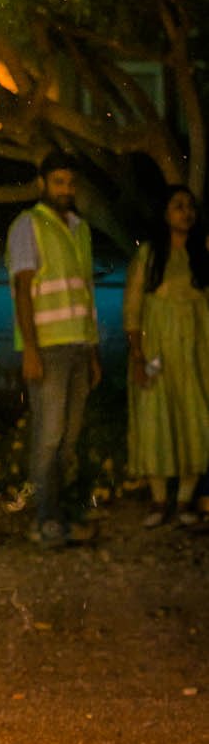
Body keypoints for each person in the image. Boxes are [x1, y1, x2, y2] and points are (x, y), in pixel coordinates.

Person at [6, 150, 101, 546]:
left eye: (70, 183)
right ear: (43, 183)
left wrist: (93, 351)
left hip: (78, 347)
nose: (66, 189)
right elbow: (22, 289)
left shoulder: (80, 229)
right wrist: (30, 349)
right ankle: (44, 520)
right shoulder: (28, 225)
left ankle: (59, 515)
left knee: (68, 438)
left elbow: (86, 293)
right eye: (58, 182)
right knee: (49, 436)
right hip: (48, 348)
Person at [123, 184, 209, 526]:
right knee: (154, 415)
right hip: (157, 350)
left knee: (195, 417)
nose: (186, 212)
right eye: (178, 206)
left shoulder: (204, 250)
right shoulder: (149, 254)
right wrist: (139, 356)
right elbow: (133, 308)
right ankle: (159, 502)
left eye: (189, 206)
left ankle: (185, 501)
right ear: (165, 213)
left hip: (196, 352)